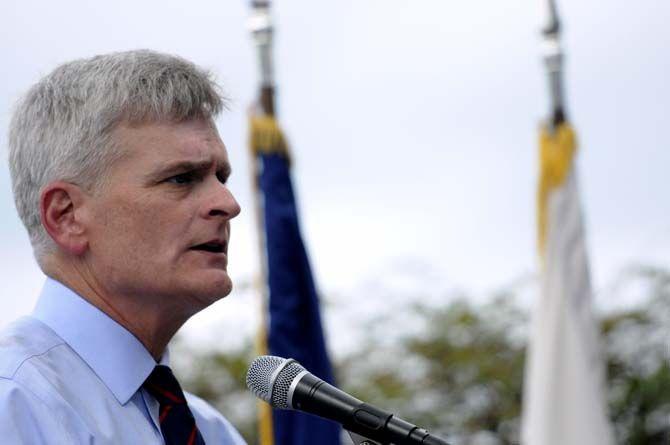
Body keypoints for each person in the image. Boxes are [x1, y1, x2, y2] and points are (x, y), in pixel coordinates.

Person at [0, 50, 246, 444]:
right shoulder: (14, 402)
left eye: (221, 176)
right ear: (67, 216)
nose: (228, 204)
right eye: (182, 179)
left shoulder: (215, 432)